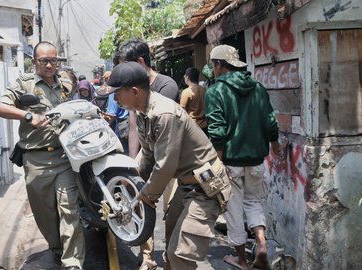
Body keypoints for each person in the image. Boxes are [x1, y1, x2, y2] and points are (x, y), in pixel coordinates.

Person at [107, 62, 231, 270]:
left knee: (179, 254)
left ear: (135, 91)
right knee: (170, 248)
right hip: (186, 185)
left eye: (117, 93)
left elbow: (165, 165)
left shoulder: (164, 114)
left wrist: (145, 195)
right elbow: (147, 154)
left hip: (205, 188)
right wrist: (128, 182)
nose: (114, 98)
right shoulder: (142, 112)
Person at [0, 41, 84, 270]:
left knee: (70, 208)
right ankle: (56, 246)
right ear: (35, 62)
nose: (50, 65)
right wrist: (27, 116)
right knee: (44, 212)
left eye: (54, 60)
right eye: (44, 61)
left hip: (64, 157)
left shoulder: (64, 85)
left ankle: (72, 262)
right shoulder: (24, 84)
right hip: (36, 160)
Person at [204, 44, 280, 270]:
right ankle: (262, 244)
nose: (213, 70)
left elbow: (217, 132)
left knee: (233, 210)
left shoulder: (215, 92)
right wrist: (274, 144)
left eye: (213, 65)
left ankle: (243, 261)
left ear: (219, 65)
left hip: (231, 162)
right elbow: (270, 121)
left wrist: (216, 163)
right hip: (257, 160)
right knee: (254, 203)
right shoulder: (258, 87)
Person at [115, 38, 179, 270]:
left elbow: (162, 133)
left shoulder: (166, 86)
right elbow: (134, 127)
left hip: (169, 155)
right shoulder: (130, 90)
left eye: (126, 66)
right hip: (148, 151)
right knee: (142, 203)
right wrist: (133, 163)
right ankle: (148, 257)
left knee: (170, 208)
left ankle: (172, 257)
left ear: (140, 62)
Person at [180, 67, 208, 136]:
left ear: (187, 77)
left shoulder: (186, 92)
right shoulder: (204, 90)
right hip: (205, 126)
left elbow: (182, 111)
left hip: (192, 127)